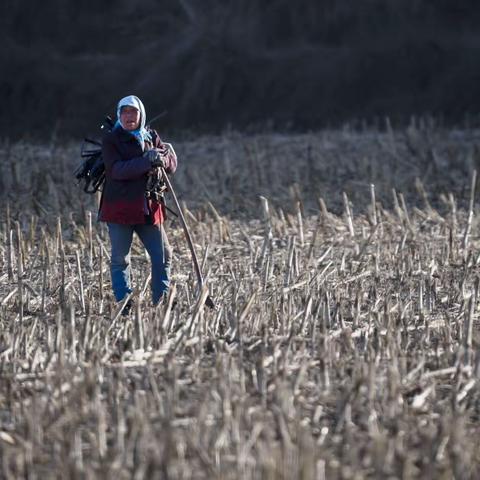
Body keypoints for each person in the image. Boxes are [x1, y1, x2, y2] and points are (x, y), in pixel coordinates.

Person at [99, 95, 177, 312]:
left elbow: (169, 164)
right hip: (120, 208)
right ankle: (125, 304)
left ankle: (161, 302)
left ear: (141, 114)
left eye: (133, 112)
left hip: (148, 207)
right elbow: (116, 170)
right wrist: (146, 161)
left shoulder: (151, 136)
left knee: (163, 254)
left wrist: (166, 160)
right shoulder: (111, 140)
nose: (129, 116)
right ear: (118, 115)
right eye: (124, 112)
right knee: (120, 259)